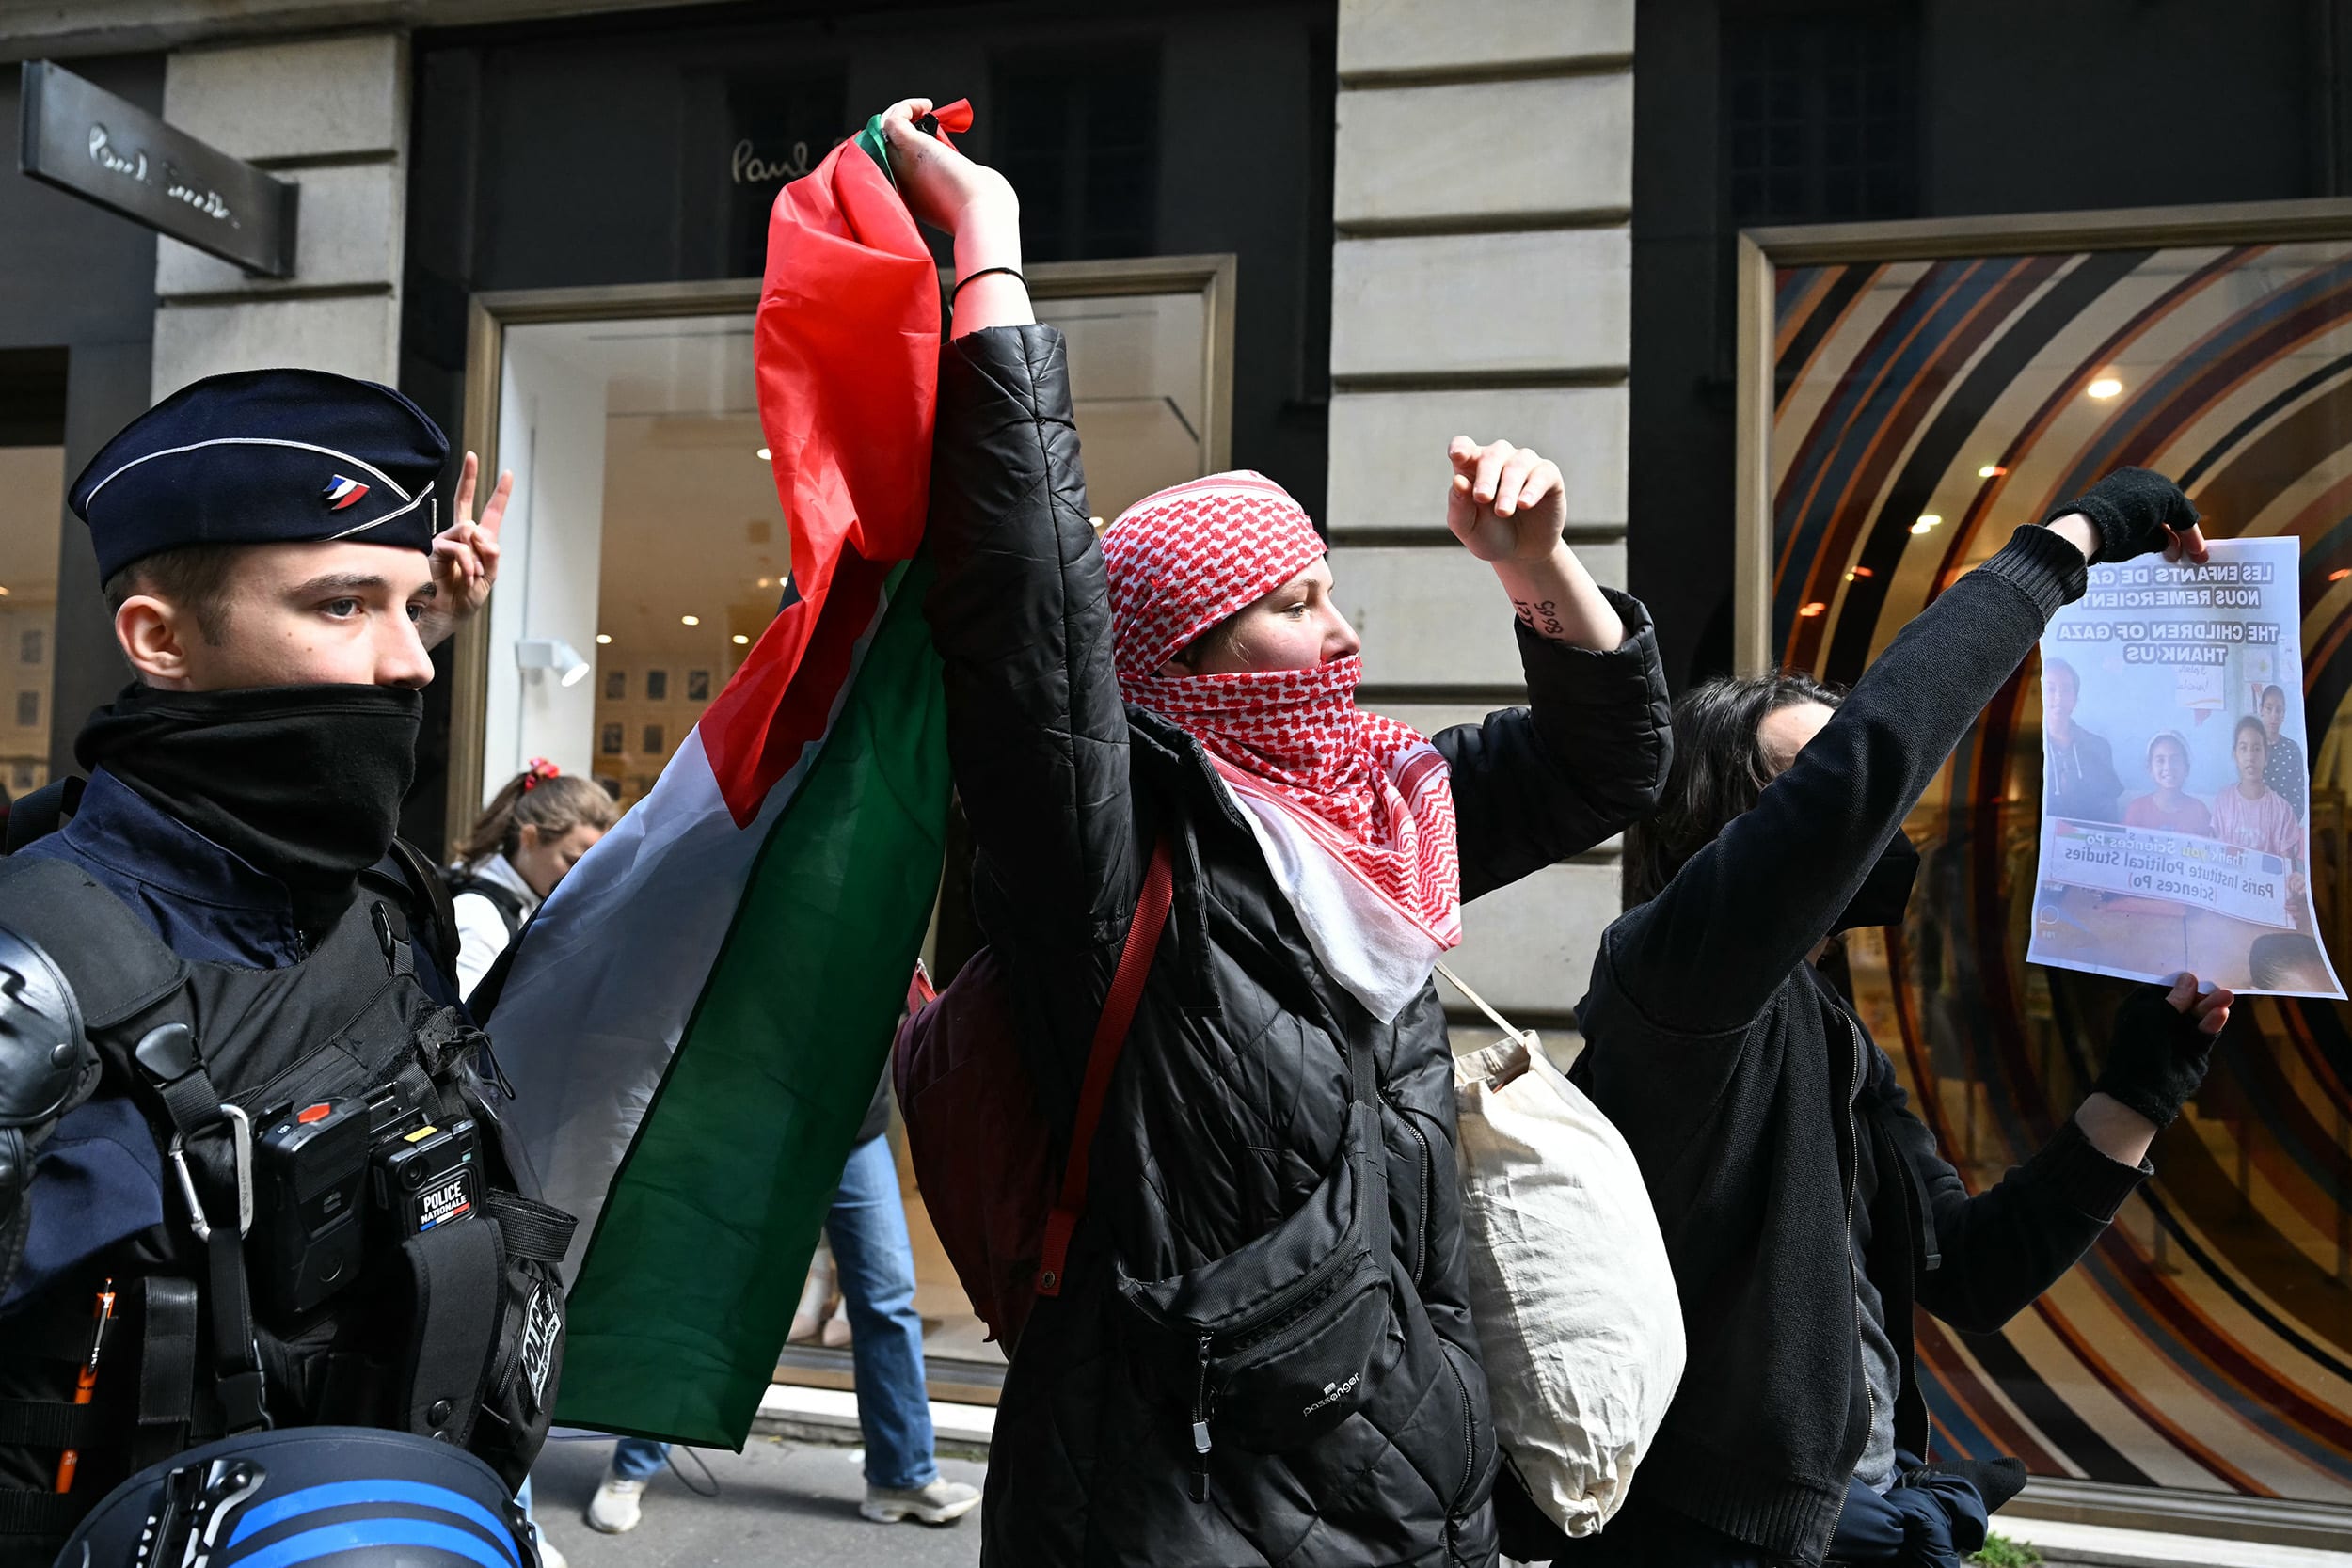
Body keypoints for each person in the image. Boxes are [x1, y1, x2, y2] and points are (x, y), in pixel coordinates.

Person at [879, 97, 1672, 1566]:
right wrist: (986, 250)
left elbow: (1603, 764)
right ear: (1181, 650)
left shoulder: (1373, 819)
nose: (1344, 637)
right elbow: (1030, 619)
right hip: (1178, 1501)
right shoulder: (1106, 858)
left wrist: (1541, 563)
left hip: (1418, 1494)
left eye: (1332, 591)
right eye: (1295, 604)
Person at [1563, 467, 2233, 1568]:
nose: (1878, 831)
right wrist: (2064, 545)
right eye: (1819, 786)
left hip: (1858, 1528)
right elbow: (1867, 764)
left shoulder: (1829, 1032)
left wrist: (2140, 1085)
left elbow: (1967, 1270)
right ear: (1730, 824)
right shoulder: (1677, 985)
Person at [0, 369, 573, 1567]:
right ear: (159, 639)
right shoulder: (37, 968)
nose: (409, 664)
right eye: (342, 606)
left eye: (412, 612)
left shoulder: (382, 898)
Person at [585, 1075, 981, 1533]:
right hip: (752, 1120)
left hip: (853, 1128)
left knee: (886, 1301)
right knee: (697, 1295)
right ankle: (632, 1466)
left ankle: (901, 1477)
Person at [447, 759, 617, 997]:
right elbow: (460, 1020)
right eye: (573, 862)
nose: (585, 879)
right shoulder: (477, 917)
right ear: (529, 838)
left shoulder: (532, 902)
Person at [2042, 657, 2123, 822]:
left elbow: (2109, 810)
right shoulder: (2030, 745)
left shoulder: (2098, 747)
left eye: (2066, 690)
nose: (2058, 698)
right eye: (2050, 689)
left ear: (2075, 698)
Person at [2211, 714, 2299, 861]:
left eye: (2257, 749)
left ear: (2266, 756)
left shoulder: (2283, 810)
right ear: (2235, 755)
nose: (2250, 756)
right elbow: (2215, 855)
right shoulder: (2223, 802)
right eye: (2243, 748)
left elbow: (2286, 869)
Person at [2123, 730, 2214, 835]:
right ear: (2150, 769)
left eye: (2175, 760)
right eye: (2160, 760)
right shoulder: (2138, 809)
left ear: (2187, 768)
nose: (2168, 767)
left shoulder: (2199, 811)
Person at [2259, 683, 2308, 817]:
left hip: (2284, 828)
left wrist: (2285, 827)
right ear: (2261, 710)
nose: (2273, 715)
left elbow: (2300, 797)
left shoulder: (2292, 750)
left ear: (2283, 714)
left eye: (2278, 710)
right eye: (2269, 709)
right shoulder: (2251, 746)